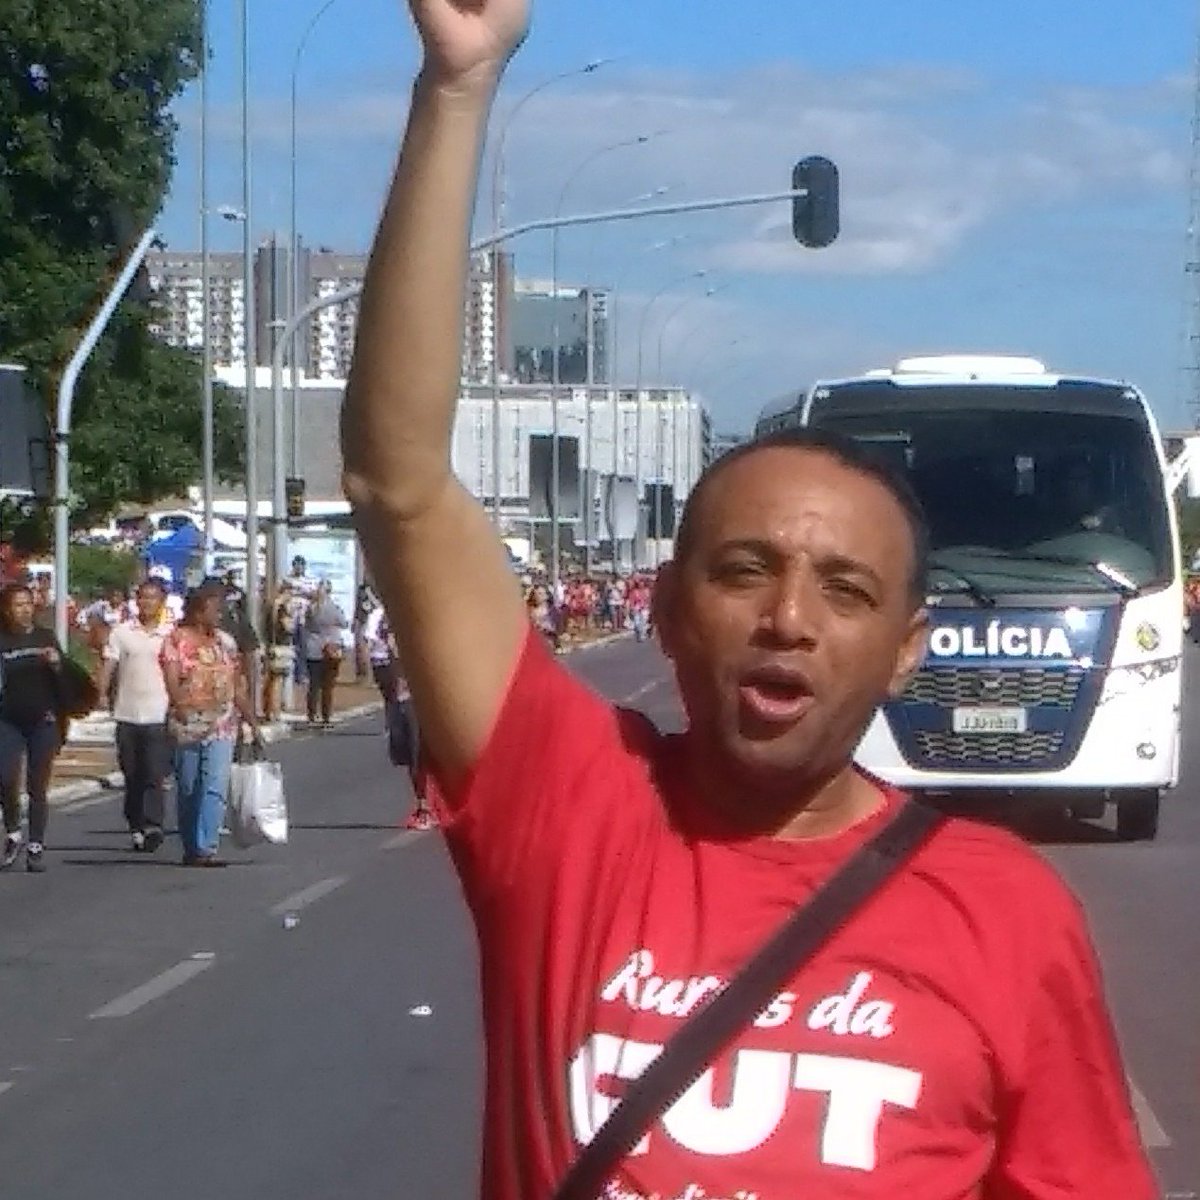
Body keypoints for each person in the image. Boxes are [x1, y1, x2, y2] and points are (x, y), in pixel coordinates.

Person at [340, 3, 1158, 1197]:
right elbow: (398, 480)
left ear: (903, 651)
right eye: (743, 571)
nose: (788, 617)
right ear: (668, 611)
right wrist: (459, 85)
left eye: (846, 590)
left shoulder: (1006, 915)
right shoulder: (572, 812)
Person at [161, 579, 258, 867]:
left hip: (222, 724)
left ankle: (206, 846)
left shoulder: (225, 643)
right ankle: (191, 845)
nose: (219, 614)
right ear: (197, 611)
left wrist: (252, 719)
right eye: (214, 608)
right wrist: (180, 705)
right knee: (190, 786)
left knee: (214, 785)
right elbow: (171, 676)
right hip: (188, 723)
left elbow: (235, 684)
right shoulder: (176, 640)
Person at [98, 577, 174, 853]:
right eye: (142, 597)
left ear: (162, 602)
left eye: (152, 598)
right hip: (127, 712)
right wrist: (100, 693)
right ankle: (136, 824)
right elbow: (109, 665)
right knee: (132, 774)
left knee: (155, 772)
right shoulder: (121, 632)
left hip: (159, 712)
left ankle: (154, 824)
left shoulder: (169, 634)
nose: (146, 603)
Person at [0, 582, 66, 873]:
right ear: (6, 609)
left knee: (38, 785)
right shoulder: (2, 639)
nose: (24, 609)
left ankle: (36, 843)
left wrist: (56, 663)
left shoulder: (45, 636)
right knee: (5, 778)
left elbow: (65, 678)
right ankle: (13, 831)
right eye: (18, 604)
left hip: (43, 719)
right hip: (8, 719)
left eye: (28, 603)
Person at [303, 580, 348, 727]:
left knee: (313, 685)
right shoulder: (334, 608)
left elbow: (307, 625)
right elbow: (344, 623)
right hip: (330, 649)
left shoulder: (311, 608)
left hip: (313, 648)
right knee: (328, 686)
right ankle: (326, 717)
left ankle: (311, 716)